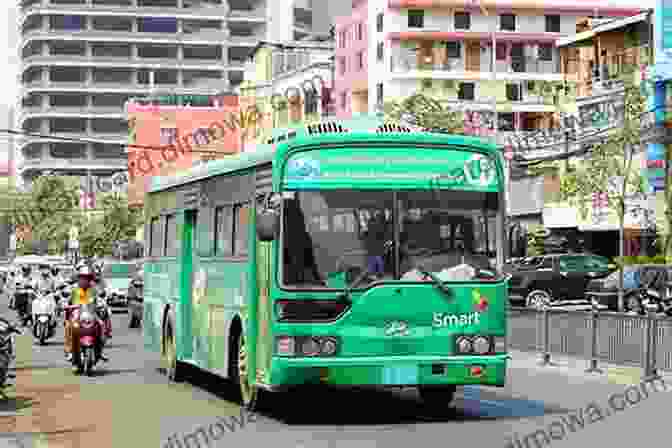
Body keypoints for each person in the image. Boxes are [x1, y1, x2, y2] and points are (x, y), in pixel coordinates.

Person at [64, 265, 109, 363]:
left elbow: (100, 300)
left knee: (102, 325)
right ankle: (69, 351)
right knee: (68, 326)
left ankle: (100, 350)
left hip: (91, 313)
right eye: (82, 277)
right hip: (76, 314)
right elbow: (67, 300)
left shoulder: (94, 289)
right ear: (79, 278)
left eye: (87, 278)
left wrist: (102, 305)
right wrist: (66, 305)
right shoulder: (74, 289)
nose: (84, 280)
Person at [364, 211, 389, 279]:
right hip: (376, 245)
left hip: (374, 245)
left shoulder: (373, 224)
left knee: (374, 259)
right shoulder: (381, 225)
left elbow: (367, 233)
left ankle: (375, 273)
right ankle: (378, 273)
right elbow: (382, 235)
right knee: (377, 259)